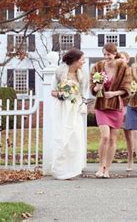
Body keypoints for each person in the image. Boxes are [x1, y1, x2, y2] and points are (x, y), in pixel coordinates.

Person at [90, 43, 131, 178]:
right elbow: (92, 88)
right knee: (105, 137)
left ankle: (107, 169)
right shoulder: (97, 67)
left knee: (113, 139)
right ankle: (100, 167)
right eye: (105, 54)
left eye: (109, 54)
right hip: (101, 105)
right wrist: (97, 87)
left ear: (115, 54)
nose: (107, 57)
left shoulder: (123, 67)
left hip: (116, 106)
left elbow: (127, 88)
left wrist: (113, 94)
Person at [50, 48, 87, 180]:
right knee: (63, 139)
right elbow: (52, 91)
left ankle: (73, 169)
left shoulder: (81, 75)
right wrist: (62, 94)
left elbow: (82, 94)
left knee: (75, 139)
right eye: (82, 59)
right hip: (63, 109)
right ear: (75, 60)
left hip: (75, 110)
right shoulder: (60, 72)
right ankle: (60, 170)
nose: (83, 62)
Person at [118, 51, 134, 171]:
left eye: (122, 58)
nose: (120, 60)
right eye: (118, 58)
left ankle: (130, 160)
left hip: (128, 106)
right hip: (115, 107)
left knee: (129, 135)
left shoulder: (132, 72)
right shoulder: (114, 72)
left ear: (127, 60)